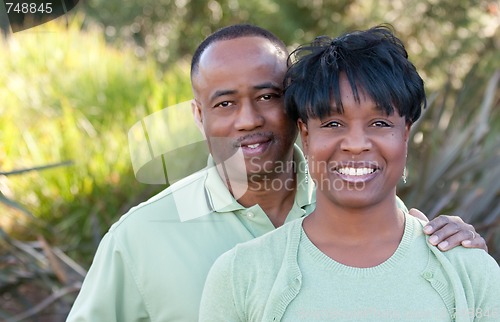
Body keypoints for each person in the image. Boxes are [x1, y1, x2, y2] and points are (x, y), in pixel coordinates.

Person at [67, 24, 487, 322]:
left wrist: (462, 253)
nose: (248, 119)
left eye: (267, 96)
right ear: (199, 115)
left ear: (298, 108)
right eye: (224, 103)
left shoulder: (354, 193)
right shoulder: (141, 236)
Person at [199, 25, 500, 322]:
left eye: (380, 123)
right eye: (333, 124)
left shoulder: (468, 270)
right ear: (305, 135)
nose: (356, 145)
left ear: (405, 133)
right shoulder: (241, 274)